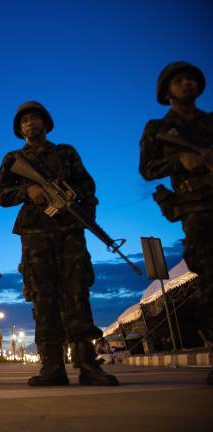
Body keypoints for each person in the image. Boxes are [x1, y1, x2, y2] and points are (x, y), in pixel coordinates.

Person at [0, 102, 118, 386]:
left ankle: (88, 364)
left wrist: (68, 194)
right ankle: (52, 366)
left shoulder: (65, 152)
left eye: (35, 118)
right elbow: (0, 194)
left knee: (77, 292)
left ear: (45, 123)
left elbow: (88, 185)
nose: (30, 123)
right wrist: (29, 190)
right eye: (24, 121)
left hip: (69, 230)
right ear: (19, 129)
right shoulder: (13, 158)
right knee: (43, 297)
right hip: (35, 233)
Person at [139, 61, 213, 385]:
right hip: (197, 209)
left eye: (190, 80)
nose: (186, 84)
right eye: (179, 81)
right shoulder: (158, 129)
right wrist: (180, 160)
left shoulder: (209, 123)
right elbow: (148, 168)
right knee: (209, 277)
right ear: (166, 91)